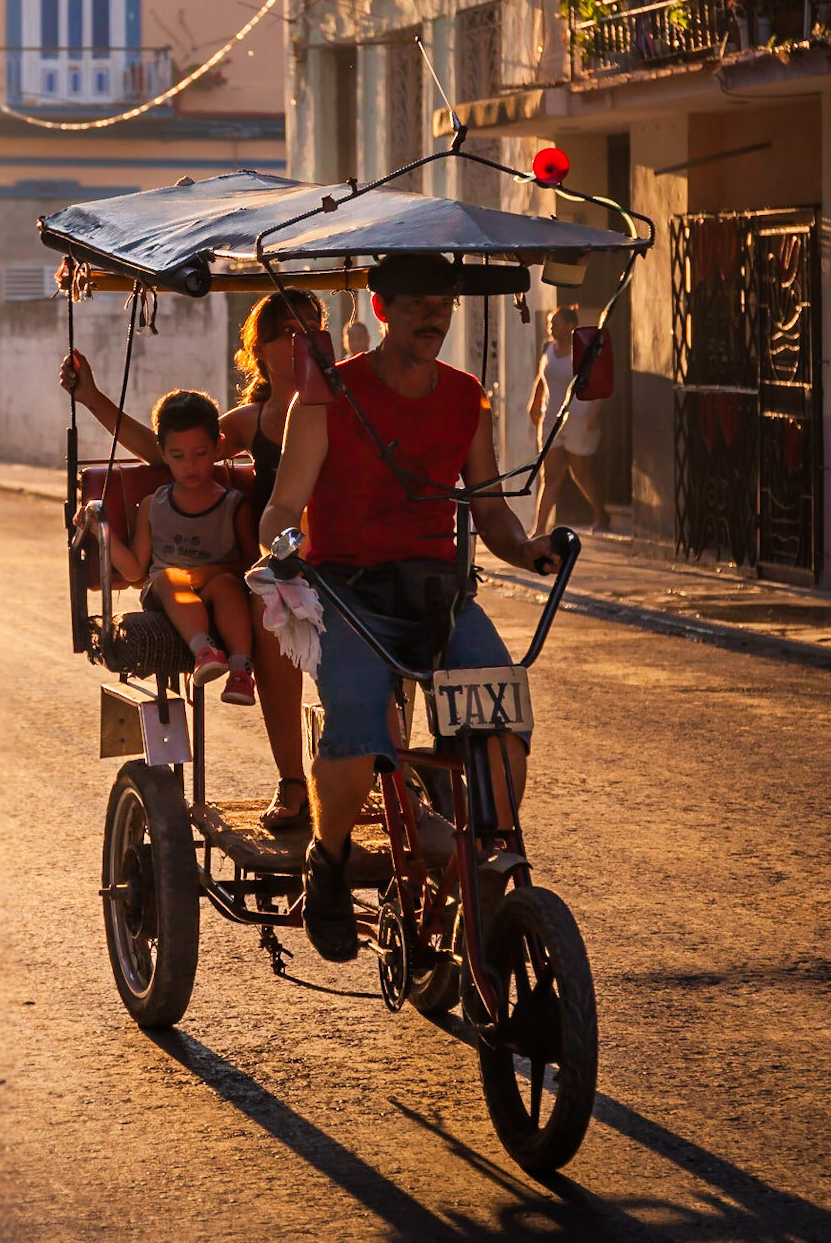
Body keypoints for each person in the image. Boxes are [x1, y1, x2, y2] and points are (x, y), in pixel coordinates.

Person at [256, 252, 561, 963]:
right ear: (383, 307)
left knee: (501, 718)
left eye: (443, 305)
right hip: (348, 593)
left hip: (439, 595)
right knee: (360, 726)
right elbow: (281, 504)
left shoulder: (464, 398)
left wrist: (529, 550)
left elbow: (490, 512)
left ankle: (477, 869)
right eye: (418, 303)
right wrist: (283, 544)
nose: (433, 316)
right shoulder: (327, 395)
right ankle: (328, 861)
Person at [62, 289, 326, 829]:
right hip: (282, 567)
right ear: (261, 349)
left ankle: (385, 779)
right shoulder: (254, 421)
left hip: (341, 555)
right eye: (285, 332)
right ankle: (293, 782)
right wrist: (92, 398)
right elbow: (169, 451)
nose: (301, 341)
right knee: (269, 618)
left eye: (310, 329)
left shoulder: (341, 407)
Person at [108, 390, 259, 704]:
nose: (190, 465)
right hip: (166, 593)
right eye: (178, 456)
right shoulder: (154, 505)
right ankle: (204, 650)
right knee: (169, 578)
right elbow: (136, 569)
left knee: (229, 584)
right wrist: (102, 534)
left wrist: (211, 572)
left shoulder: (234, 505)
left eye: (200, 453)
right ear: (162, 453)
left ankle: (241, 670)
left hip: (216, 589)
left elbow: (251, 564)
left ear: (218, 445)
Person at [528, 305, 610, 534]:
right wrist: (534, 404)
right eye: (550, 323)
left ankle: (601, 514)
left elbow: (598, 384)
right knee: (550, 476)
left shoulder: (582, 351)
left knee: (580, 471)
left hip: (579, 418)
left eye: (555, 323)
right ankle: (539, 529)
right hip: (551, 418)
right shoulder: (548, 349)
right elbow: (542, 378)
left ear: (570, 326)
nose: (551, 327)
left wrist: (594, 415)